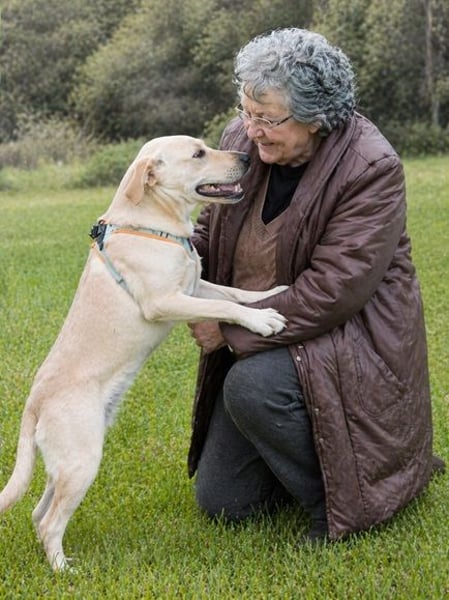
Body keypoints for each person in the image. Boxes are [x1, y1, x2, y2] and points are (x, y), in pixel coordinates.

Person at [187, 27, 444, 543]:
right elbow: (208, 233)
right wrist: (150, 252)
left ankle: (345, 502)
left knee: (251, 386)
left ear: (316, 118)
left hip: (350, 341)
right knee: (224, 502)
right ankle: (314, 452)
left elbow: (332, 292)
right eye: (246, 112)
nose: (251, 130)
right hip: (271, 332)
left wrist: (227, 327)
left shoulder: (371, 167)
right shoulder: (241, 142)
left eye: (268, 119)